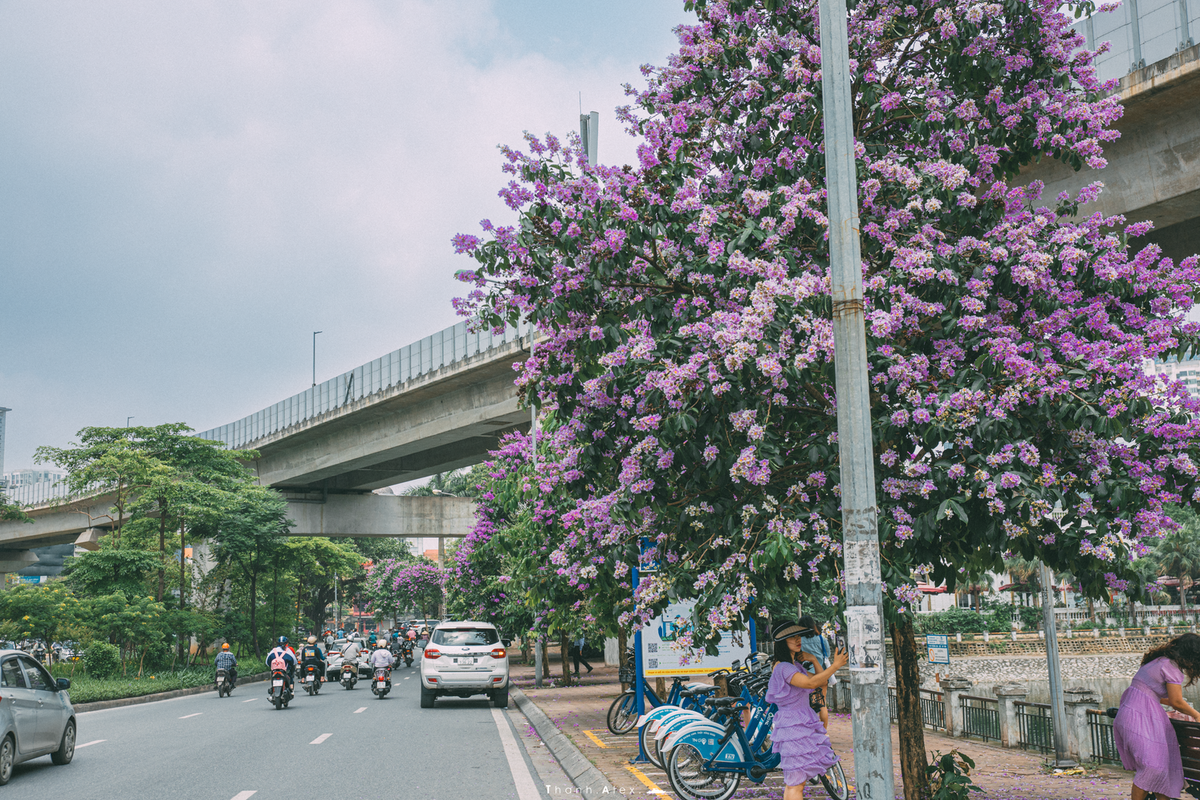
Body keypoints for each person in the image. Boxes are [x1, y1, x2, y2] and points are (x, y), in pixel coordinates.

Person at [766, 620, 847, 800]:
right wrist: (835, 665)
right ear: (782, 642)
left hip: (797, 726)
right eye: (791, 637)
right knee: (796, 783)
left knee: (795, 783)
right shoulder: (784, 667)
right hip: (793, 728)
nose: (797, 640)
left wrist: (812, 659)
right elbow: (810, 683)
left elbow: (821, 681)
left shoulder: (794, 666)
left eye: (798, 636)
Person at [1114, 632, 1200, 800]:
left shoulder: (1157, 661)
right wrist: (1196, 714)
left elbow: (1154, 695)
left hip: (1131, 712)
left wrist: (1181, 705)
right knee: (1152, 767)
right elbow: (1176, 702)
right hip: (1140, 717)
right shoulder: (1170, 668)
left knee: (1162, 766)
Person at [798, 614, 832, 731]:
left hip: (807, 674)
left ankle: (809, 730)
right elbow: (827, 655)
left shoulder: (799, 641)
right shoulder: (822, 639)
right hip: (822, 674)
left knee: (806, 704)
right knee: (822, 704)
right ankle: (824, 731)